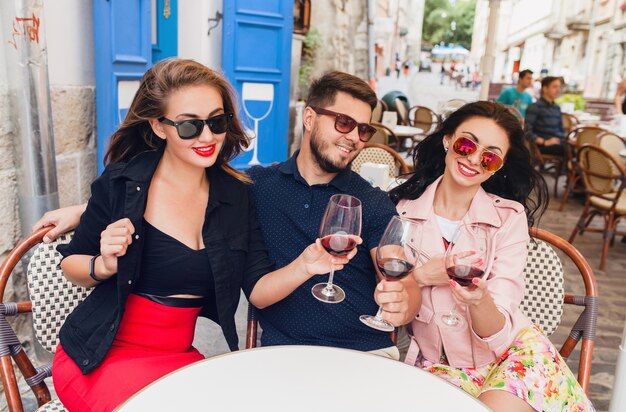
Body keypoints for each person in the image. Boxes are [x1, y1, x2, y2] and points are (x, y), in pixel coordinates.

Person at [34, 71, 421, 361]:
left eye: (364, 129)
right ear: (308, 118)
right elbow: (180, 192)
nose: (354, 136)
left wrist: (408, 299)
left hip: (364, 353)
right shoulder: (254, 187)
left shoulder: (370, 202)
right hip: (281, 354)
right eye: (343, 122)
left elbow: (400, 274)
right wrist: (86, 212)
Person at [49, 58, 355, 412]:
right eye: (190, 126)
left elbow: (256, 289)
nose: (207, 136)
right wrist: (102, 265)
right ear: (158, 127)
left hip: (176, 360)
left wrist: (305, 266)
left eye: (217, 121)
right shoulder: (122, 184)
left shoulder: (236, 196)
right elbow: (71, 263)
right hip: (100, 357)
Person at [389, 101, 596, 412]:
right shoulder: (401, 210)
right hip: (435, 364)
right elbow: (393, 308)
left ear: (499, 165)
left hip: (513, 357)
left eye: (489, 156)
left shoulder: (508, 219)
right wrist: (419, 277)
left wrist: (478, 299)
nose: (473, 159)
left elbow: (496, 334)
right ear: (447, 139)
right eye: (466, 143)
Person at [524, 76, 566, 156]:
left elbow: (562, 130)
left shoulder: (557, 108)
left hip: (558, 144)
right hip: (543, 146)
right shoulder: (535, 107)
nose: (558, 90)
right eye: (554, 87)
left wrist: (565, 139)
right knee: (569, 150)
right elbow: (526, 132)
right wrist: (544, 142)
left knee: (578, 148)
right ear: (545, 89)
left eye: (559, 87)